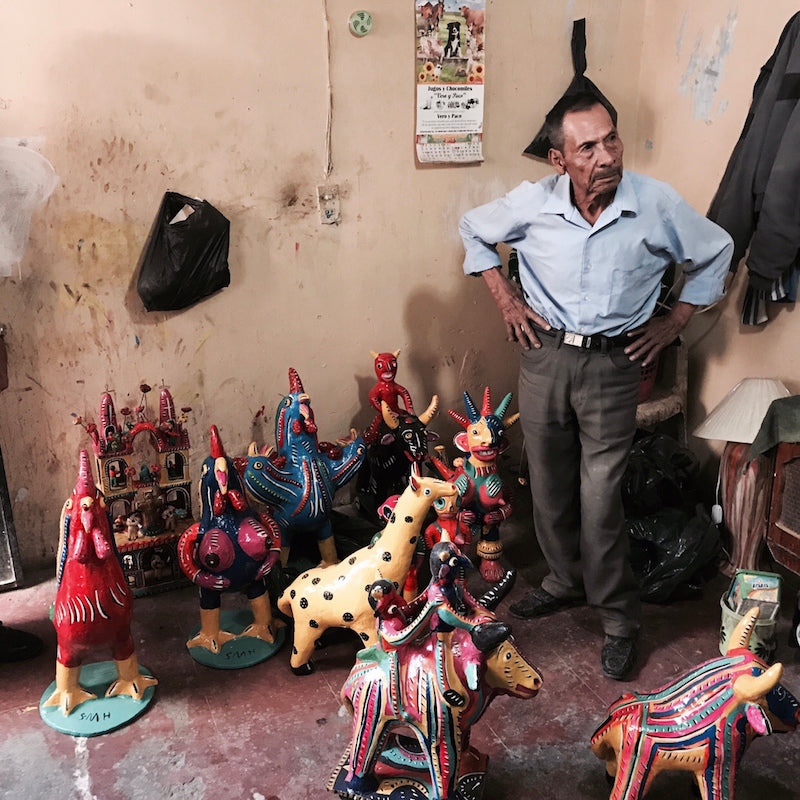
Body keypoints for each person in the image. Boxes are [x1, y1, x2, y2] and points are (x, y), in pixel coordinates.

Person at [458, 92, 733, 680]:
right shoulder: (533, 204)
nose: (606, 155)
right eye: (588, 146)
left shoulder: (654, 203)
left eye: (612, 139)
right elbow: (473, 231)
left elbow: (717, 251)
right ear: (559, 160)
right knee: (548, 479)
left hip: (614, 365)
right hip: (544, 357)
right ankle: (563, 579)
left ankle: (618, 619)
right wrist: (505, 298)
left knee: (602, 495)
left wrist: (675, 322)